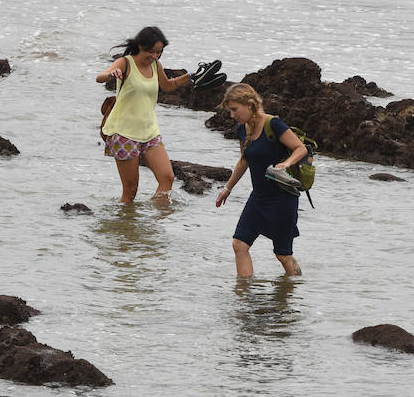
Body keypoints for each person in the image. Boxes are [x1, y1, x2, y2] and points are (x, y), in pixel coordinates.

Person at [214, 83, 307, 277]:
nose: (232, 115)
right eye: (230, 110)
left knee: (283, 255)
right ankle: (244, 295)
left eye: (234, 109)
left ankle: (292, 295)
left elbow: (301, 148)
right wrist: (227, 188)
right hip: (258, 198)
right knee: (239, 244)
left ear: (249, 104)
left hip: (283, 199)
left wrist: (286, 163)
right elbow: (244, 160)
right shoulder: (241, 129)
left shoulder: (273, 124)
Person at [94, 26, 194, 203]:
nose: (155, 56)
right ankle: (126, 227)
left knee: (167, 178)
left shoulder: (156, 65)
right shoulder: (126, 63)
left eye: (159, 52)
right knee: (130, 191)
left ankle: (152, 226)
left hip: (150, 132)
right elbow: (99, 77)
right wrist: (111, 74)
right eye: (152, 52)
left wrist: (192, 76)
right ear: (140, 46)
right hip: (124, 134)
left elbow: (168, 86)